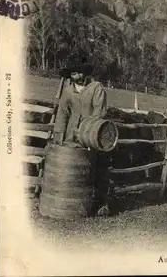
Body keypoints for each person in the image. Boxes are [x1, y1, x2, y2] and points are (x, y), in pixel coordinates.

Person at [53, 56, 111, 216]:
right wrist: (59, 134)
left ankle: (96, 204)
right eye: (73, 74)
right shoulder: (67, 90)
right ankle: (68, 204)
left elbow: (100, 111)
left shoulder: (96, 88)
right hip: (70, 135)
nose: (77, 77)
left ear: (85, 72)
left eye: (79, 73)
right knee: (70, 168)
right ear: (70, 76)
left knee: (93, 168)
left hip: (90, 134)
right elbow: (62, 114)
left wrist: (89, 132)